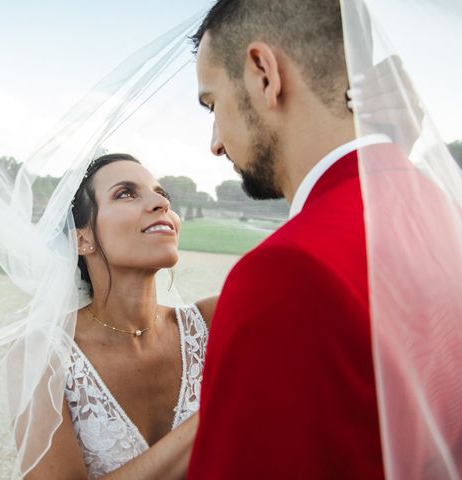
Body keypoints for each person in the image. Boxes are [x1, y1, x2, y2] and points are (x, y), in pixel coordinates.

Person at [187, 0, 462, 478]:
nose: (214, 141)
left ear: (263, 73)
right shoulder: (442, 212)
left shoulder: (284, 274)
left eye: (212, 104)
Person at [24, 153, 216, 479]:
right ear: (82, 239)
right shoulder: (46, 354)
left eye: (162, 194)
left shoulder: (214, 320)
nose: (160, 203)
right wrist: (216, 412)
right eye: (125, 193)